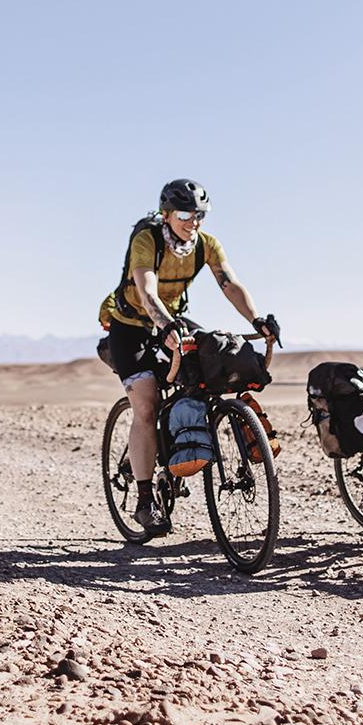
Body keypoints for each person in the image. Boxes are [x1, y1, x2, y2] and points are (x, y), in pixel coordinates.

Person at [100, 179, 277, 534]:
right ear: (166, 215)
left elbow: (229, 283)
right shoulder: (147, 240)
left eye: (199, 215)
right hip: (131, 326)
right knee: (147, 405)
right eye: (185, 214)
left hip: (173, 321)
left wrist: (256, 320)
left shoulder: (205, 245)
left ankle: (183, 442)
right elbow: (147, 290)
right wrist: (164, 325)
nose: (193, 222)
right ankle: (145, 499)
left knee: (208, 371)